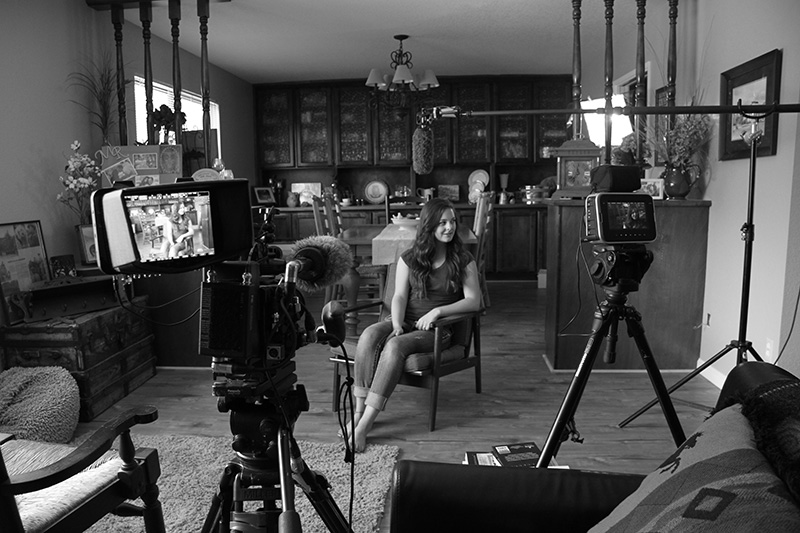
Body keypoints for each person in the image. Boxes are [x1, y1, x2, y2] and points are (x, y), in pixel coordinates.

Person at [348, 198, 482, 452]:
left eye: (452, 221)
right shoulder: (410, 258)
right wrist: (397, 323)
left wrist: (438, 311)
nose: (449, 227)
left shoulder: (463, 260)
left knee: (395, 346)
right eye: (442, 223)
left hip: (437, 331)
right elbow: (399, 296)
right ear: (428, 226)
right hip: (406, 320)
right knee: (369, 334)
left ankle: (365, 424)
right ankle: (357, 412)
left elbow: (473, 301)